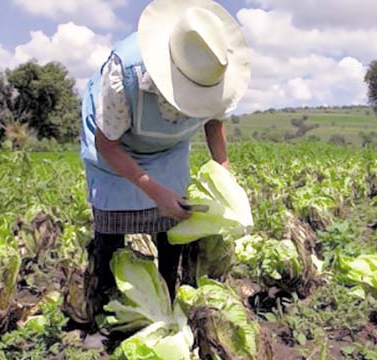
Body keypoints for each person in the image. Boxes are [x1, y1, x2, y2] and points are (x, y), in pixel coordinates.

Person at [79, 0, 251, 321]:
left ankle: (167, 296)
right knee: (111, 223)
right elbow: (108, 145)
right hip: (115, 145)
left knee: (173, 221)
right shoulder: (124, 72)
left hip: (168, 149)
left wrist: (225, 176)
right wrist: (154, 192)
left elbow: (215, 124)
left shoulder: (213, 69)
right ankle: (106, 306)